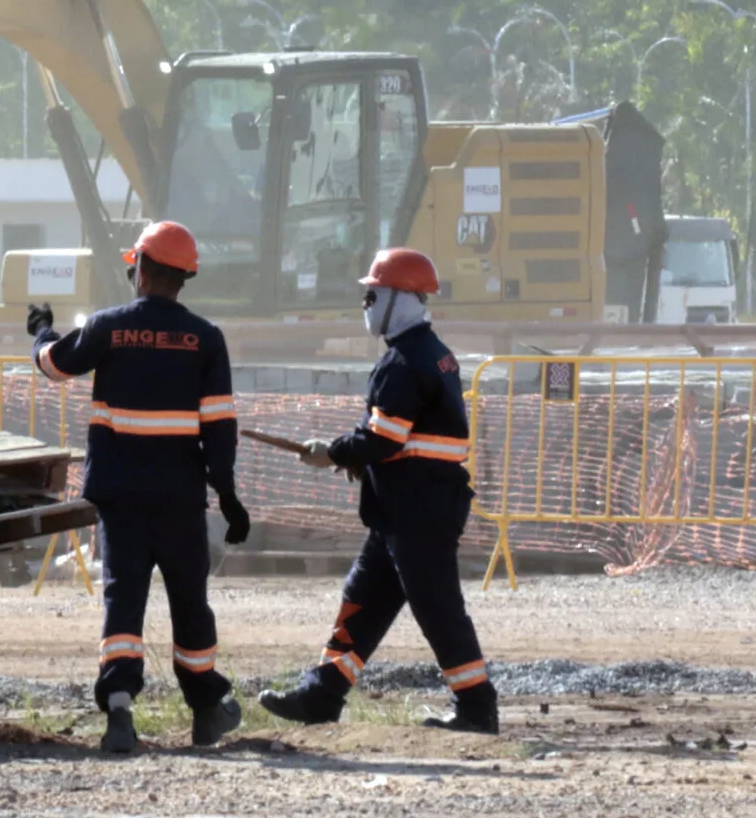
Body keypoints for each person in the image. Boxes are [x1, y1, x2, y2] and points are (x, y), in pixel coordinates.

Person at [29, 219, 249, 754]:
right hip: (179, 501)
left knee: (123, 600)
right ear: (182, 277)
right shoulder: (206, 339)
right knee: (190, 603)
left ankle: (121, 710)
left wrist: (40, 332)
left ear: (142, 269)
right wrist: (228, 496)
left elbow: (55, 366)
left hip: (121, 500)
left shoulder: (109, 327)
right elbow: (220, 428)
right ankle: (204, 710)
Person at [259, 248, 497, 735]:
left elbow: (384, 439)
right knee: (362, 603)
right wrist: (357, 458)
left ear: (400, 298)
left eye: (372, 295)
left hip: (418, 512)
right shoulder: (431, 354)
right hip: (405, 509)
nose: (366, 304)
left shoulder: (405, 360)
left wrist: (335, 452)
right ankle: (322, 694)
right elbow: (405, 442)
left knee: (438, 611)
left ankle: (477, 707)